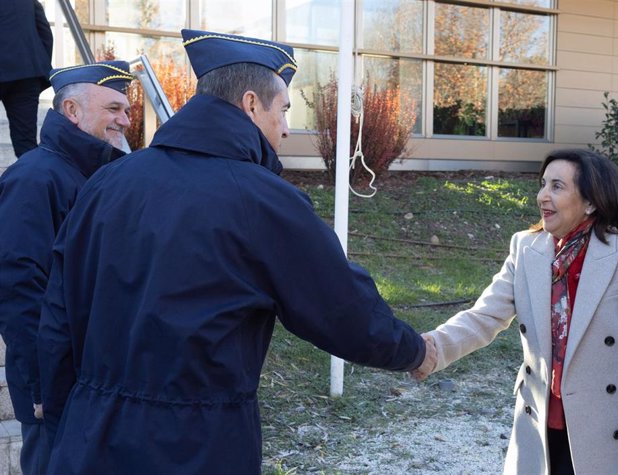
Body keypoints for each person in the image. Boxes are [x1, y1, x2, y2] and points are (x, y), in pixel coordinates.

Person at [37, 30, 436, 474]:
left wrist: (61, 425)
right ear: (250, 104)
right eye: (283, 110)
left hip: (89, 438)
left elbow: (58, 318)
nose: (285, 128)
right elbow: (342, 308)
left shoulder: (106, 183)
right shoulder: (262, 200)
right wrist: (415, 351)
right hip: (196, 447)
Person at [412, 149, 618, 475]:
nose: (542, 195)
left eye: (557, 186)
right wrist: (431, 348)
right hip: (539, 424)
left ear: (591, 202)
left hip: (607, 429)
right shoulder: (526, 248)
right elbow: (486, 316)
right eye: (543, 184)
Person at [0, 60, 133, 475]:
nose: (126, 121)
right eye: (113, 109)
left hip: (93, 375)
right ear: (72, 111)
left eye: (126, 111)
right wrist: (40, 384)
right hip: (56, 385)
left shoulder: (96, 174)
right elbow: (18, 287)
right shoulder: (36, 178)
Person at [0, 0, 53, 158]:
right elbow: (45, 35)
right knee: (26, 143)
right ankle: (31, 181)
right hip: (26, 73)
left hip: (26, 74)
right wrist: (38, 66)